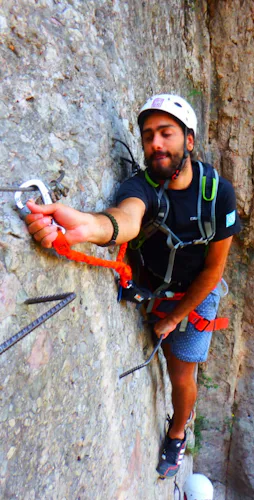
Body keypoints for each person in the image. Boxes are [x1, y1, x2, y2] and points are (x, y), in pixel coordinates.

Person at [24, 94, 241, 478]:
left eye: (166, 133)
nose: (155, 143)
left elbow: (213, 270)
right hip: (153, 281)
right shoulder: (141, 186)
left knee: (181, 374)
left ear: (189, 140)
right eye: (148, 136)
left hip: (196, 293)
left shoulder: (217, 193)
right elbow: (127, 219)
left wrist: (174, 318)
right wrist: (89, 228)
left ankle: (177, 431)